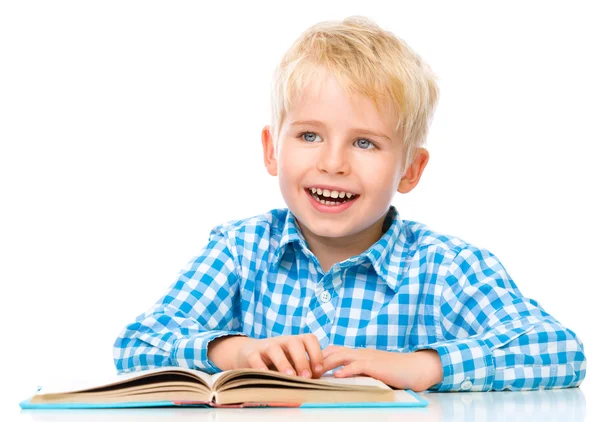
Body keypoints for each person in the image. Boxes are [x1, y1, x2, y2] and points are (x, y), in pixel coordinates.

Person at [113, 16, 586, 392]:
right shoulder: (240, 250)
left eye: (365, 143)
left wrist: (423, 366)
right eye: (310, 135)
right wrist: (233, 353)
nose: (333, 163)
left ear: (410, 169)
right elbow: (137, 343)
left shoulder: (446, 267)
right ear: (271, 150)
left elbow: (559, 350)